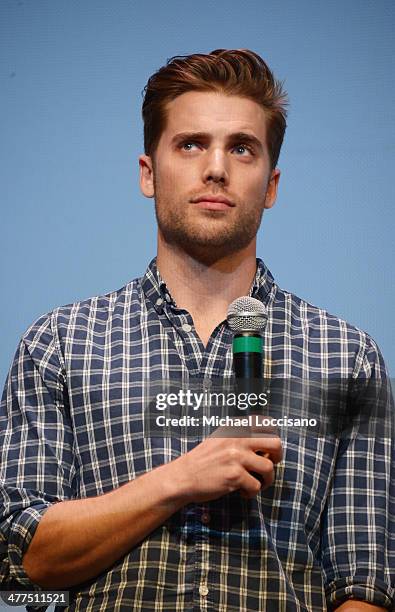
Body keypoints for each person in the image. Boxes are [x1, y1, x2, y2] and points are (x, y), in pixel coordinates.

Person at [0, 49, 393, 612]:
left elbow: (366, 586)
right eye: (191, 144)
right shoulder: (60, 343)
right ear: (148, 173)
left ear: (272, 184)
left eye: (241, 148)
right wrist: (181, 478)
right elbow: (22, 560)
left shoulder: (348, 358)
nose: (216, 168)